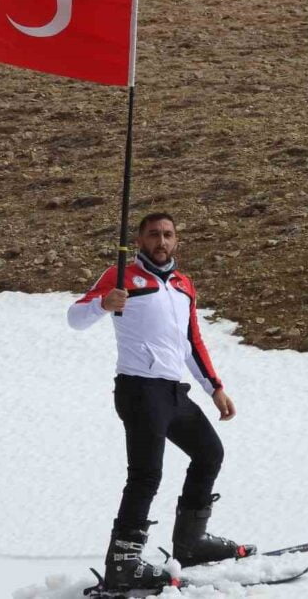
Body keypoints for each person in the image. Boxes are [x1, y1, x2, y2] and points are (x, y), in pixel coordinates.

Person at [67, 212, 255, 591]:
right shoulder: (121, 277)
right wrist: (104, 303)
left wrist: (214, 387)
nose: (162, 241)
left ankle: (191, 542)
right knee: (146, 475)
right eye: (154, 234)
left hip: (172, 391)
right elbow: (75, 318)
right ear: (139, 241)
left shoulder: (184, 285)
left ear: (177, 240)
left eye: (168, 234)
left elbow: (191, 342)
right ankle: (123, 563)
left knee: (209, 454)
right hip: (139, 389)